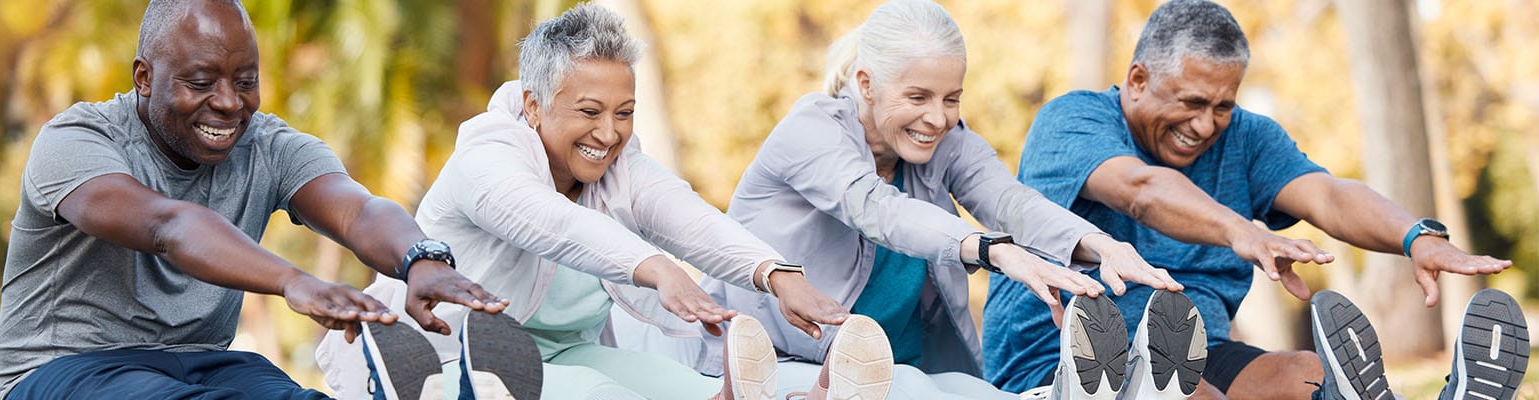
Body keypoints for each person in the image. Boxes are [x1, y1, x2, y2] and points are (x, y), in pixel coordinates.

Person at [315, 4, 867, 400]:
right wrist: (657, 270)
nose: (609, 133)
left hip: (562, 353)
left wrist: (775, 274)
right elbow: (551, 223)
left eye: (624, 113)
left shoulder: (620, 166)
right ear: (534, 105)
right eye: (589, 111)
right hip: (443, 356)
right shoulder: (485, 157)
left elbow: (686, 215)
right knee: (605, 394)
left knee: (690, 390)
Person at [984, 1, 1524, 399]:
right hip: (1065, 361)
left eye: (1222, 106)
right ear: (1138, 80)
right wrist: (1241, 231)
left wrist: (1415, 237)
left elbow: (1328, 195)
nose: (1205, 125)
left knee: (1307, 377)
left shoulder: (1247, 137)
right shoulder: (1072, 120)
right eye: (1192, 102)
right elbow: (1140, 191)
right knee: (1187, 393)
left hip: (1198, 349)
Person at [0, 1, 507, 399]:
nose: (229, 103)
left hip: (204, 362)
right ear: (144, 77)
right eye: (200, 82)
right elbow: (168, 226)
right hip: (62, 369)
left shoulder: (268, 146)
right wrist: (294, 281)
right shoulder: (76, 141)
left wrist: (420, 258)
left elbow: (358, 209)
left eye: (246, 82)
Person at [700, 1, 1190, 398]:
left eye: (951, 98)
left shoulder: (946, 143)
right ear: (867, 84)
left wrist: (1100, 244)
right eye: (918, 97)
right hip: (778, 364)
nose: (938, 118)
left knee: (975, 394)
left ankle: (1102, 393)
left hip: (900, 369)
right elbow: (879, 211)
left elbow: (1009, 202)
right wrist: (993, 250)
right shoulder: (811, 131)